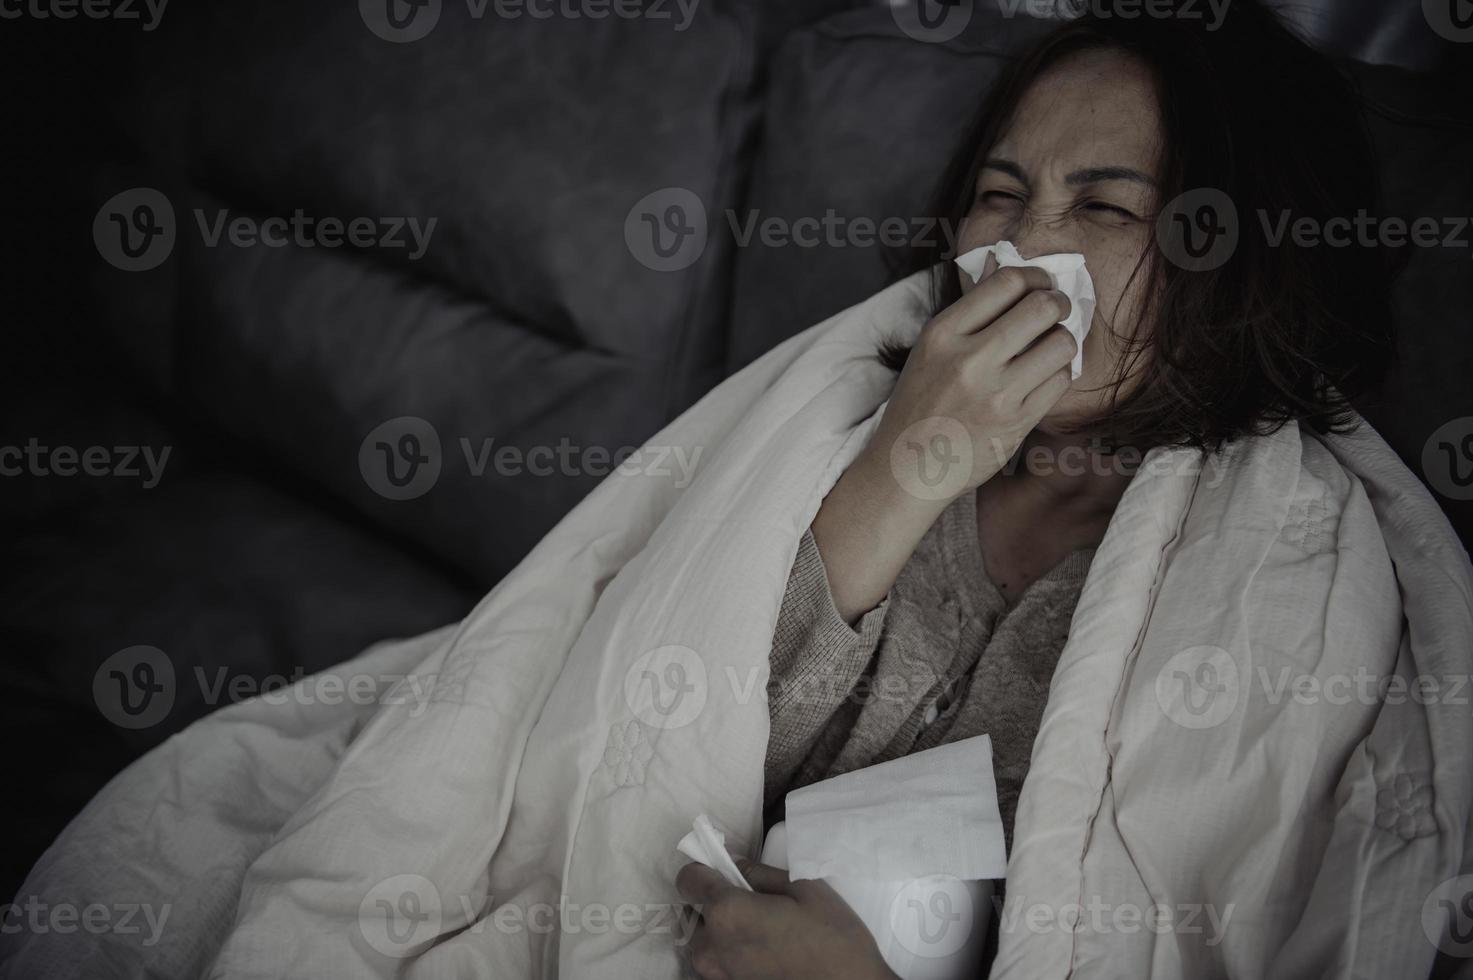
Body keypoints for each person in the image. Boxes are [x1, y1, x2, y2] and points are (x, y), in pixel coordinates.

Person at [676, 0, 1396, 976]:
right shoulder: (856, 419)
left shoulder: (1280, 581)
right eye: (999, 193)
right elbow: (679, 731)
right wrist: (905, 462)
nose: (1021, 249)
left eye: (1104, 207)